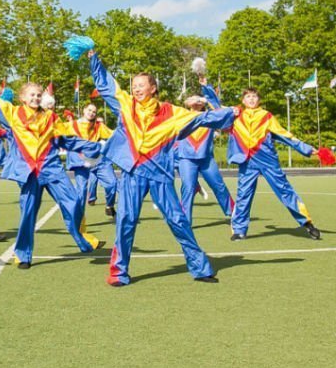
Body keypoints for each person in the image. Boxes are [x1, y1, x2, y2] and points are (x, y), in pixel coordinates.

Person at [71, 41, 235, 286]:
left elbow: (201, 118)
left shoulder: (171, 112)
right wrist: (93, 57)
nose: (136, 89)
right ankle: (118, 272)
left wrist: (231, 113)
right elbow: (106, 85)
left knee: (178, 220)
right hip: (133, 173)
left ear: (153, 88)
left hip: (160, 174)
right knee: (126, 220)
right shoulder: (126, 105)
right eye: (134, 86)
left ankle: (200, 268)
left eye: (141, 85)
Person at [0, 73, 102, 269]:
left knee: (73, 204)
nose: (36, 98)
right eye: (32, 95)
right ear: (22, 98)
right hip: (29, 173)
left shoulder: (51, 117)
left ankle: (83, 241)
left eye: (38, 95)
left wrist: (94, 147)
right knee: (28, 214)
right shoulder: (12, 113)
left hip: (52, 169)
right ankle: (23, 255)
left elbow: (66, 139)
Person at [200, 82, 321, 242]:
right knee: (243, 195)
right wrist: (206, 86)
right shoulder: (235, 115)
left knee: (284, 190)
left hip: (267, 160)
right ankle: (239, 230)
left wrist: (306, 149)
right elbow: (217, 109)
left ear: (259, 100)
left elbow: (284, 134)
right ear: (243, 100)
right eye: (248, 96)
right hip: (247, 161)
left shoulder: (266, 116)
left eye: (254, 96)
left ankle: (307, 223)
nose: (251, 99)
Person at [173, 91, 233, 225]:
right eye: (192, 99)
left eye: (199, 100)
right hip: (186, 159)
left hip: (206, 159)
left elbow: (223, 110)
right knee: (188, 188)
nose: (196, 102)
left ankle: (233, 213)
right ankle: (185, 221)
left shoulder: (210, 117)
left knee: (219, 186)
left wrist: (206, 99)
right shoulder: (182, 114)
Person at [67, 103, 116, 217]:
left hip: (97, 161)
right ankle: (79, 218)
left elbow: (112, 135)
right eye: (89, 110)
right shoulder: (73, 125)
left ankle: (109, 206)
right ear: (84, 110)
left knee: (112, 183)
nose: (91, 113)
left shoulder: (99, 126)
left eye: (94, 112)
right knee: (81, 190)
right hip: (81, 162)